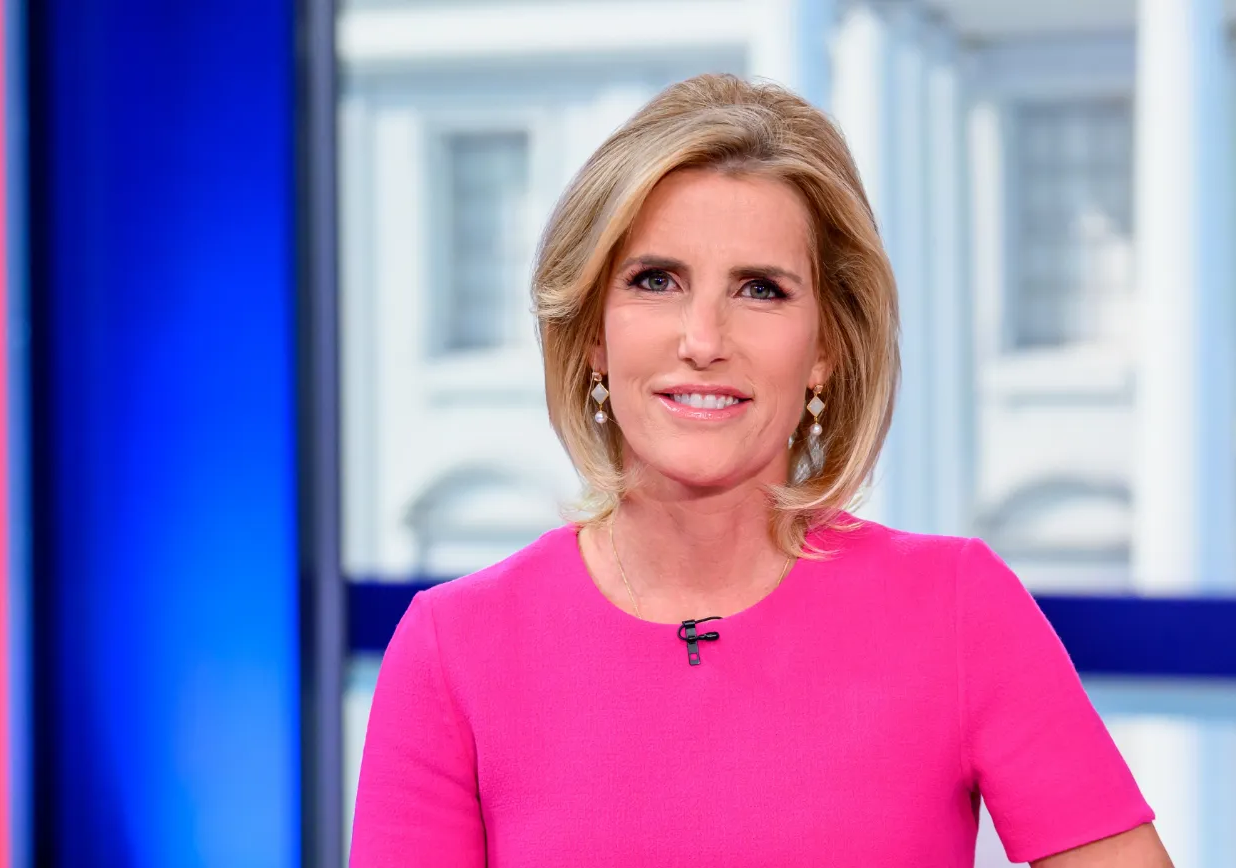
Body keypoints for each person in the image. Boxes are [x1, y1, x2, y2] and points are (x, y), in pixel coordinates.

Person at [350, 73, 1171, 867]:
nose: (703, 340)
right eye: (656, 281)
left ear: (826, 348)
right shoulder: (452, 651)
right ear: (594, 334)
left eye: (761, 290)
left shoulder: (959, 609)